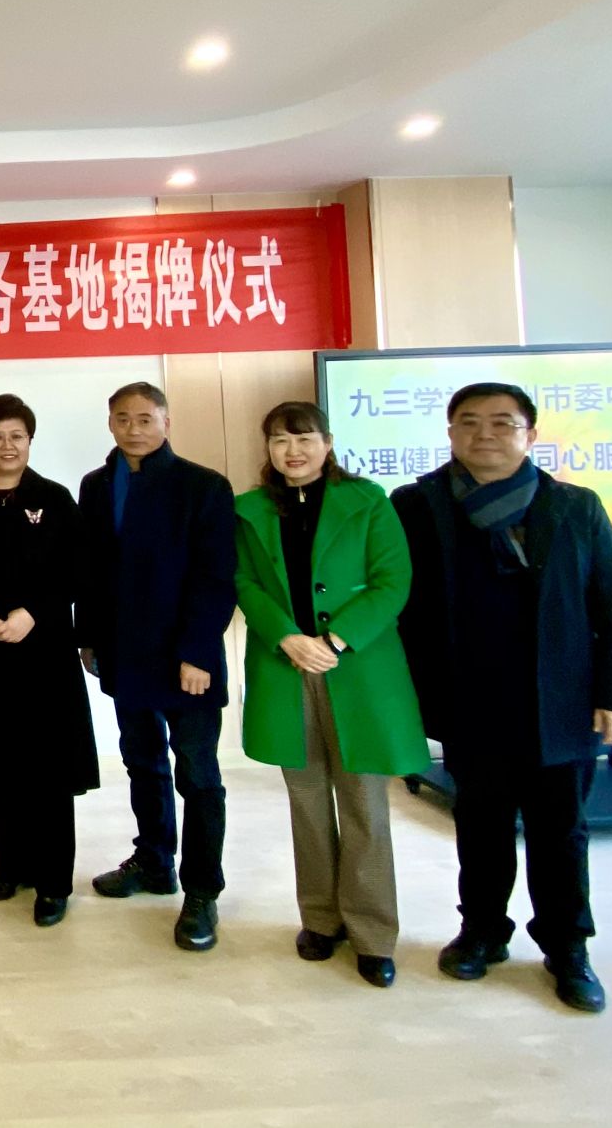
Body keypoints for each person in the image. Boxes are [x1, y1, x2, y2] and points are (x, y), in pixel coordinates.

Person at [393, 382, 612, 1013]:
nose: (485, 434)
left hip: (560, 700)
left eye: (502, 423)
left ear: (530, 435)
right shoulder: (418, 505)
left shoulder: (574, 506)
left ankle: (568, 947)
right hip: (470, 698)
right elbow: (399, 604)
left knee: (561, 832)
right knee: (479, 826)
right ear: (450, 433)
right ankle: (482, 932)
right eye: (469, 422)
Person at [232, 402, 430, 988]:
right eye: (280, 440)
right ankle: (320, 919)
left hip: (357, 670)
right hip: (285, 667)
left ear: (327, 442)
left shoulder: (367, 501)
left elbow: (393, 580)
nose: (292, 451)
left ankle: (373, 934)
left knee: (364, 801)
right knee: (307, 801)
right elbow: (243, 580)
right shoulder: (249, 509)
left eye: (304, 438)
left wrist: (335, 640)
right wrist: (287, 637)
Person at [78, 381, 237, 951]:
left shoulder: (203, 486)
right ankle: (153, 861)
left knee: (198, 776)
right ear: (111, 423)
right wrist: (88, 637)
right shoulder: (97, 485)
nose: (134, 429)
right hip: (126, 656)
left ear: (166, 422)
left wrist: (197, 651)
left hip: (186, 660)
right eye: (123, 419)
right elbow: (91, 570)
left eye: (145, 418)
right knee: (142, 762)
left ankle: (202, 891)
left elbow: (216, 577)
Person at [0, 394, 99, 928]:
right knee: (3, 760)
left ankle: (54, 882)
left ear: (30, 441)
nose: (7, 446)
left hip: (43, 651)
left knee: (48, 768)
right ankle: (12, 866)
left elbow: (78, 571)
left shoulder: (54, 499)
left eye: (17, 436)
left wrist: (35, 612)